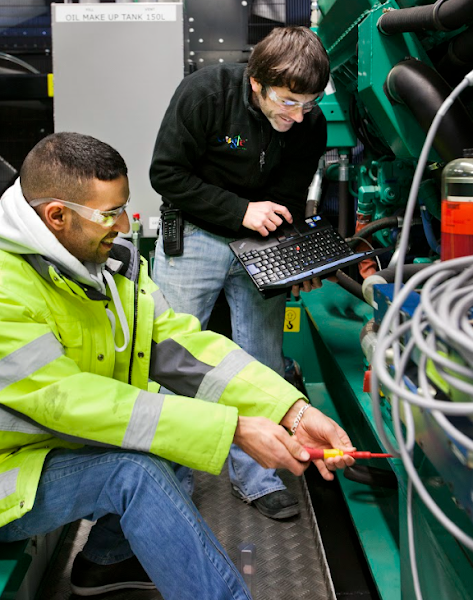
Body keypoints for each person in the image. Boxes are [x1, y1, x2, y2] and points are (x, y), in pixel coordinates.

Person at [0, 131, 354, 599]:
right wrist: (231, 428)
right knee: (135, 471)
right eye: (109, 214)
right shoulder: (7, 288)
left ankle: (104, 564)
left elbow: (182, 347)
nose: (123, 225)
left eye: (123, 207)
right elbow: (68, 400)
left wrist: (292, 411)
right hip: (10, 474)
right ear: (57, 216)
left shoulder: (109, 268)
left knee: (168, 434)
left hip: (54, 451)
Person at [150, 25, 329, 519]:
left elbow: (291, 199)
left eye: (308, 104)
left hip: (262, 245)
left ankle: (257, 476)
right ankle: (169, 485)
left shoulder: (309, 125)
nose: (296, 117)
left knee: (262, 364)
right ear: (257, 82)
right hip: (195, 235)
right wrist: (239, 211)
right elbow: (165, 174)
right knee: (174, 361)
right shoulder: (205, 93)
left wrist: (295, 257)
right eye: (288, 101)